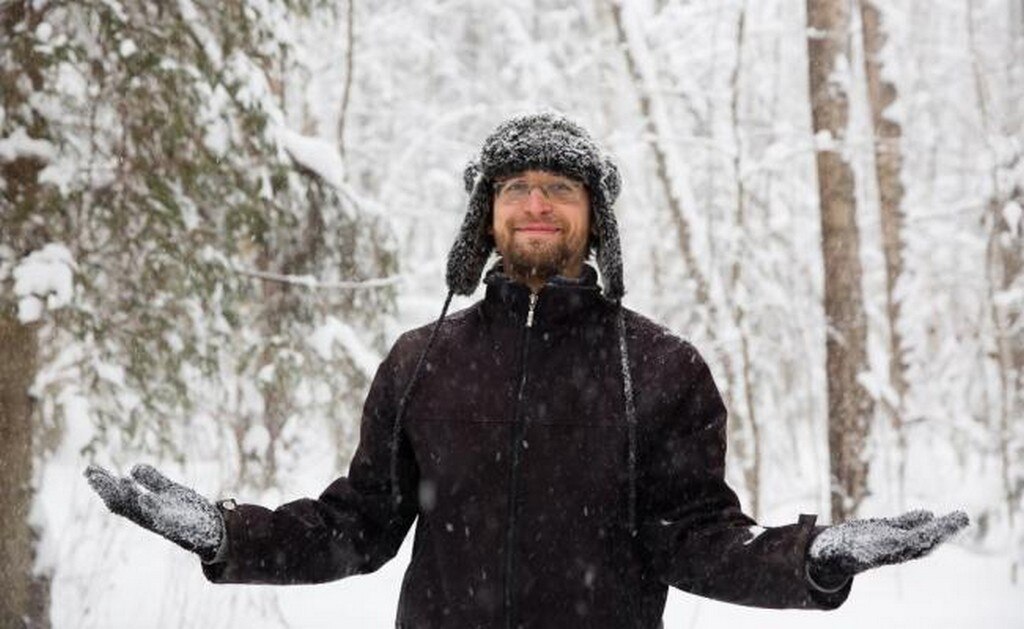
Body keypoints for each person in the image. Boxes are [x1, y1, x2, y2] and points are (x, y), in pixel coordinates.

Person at [86, 112, 968, 628]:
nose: (537, 202)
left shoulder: (660, 367)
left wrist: (814, 558)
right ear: (488, 217)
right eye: (515, 188)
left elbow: (697, 540)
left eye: (560, 188)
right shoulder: (422, 360)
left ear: (594, 219)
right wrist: (228, 536)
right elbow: (355, 525)